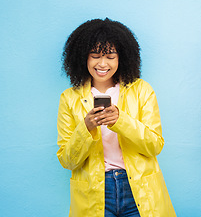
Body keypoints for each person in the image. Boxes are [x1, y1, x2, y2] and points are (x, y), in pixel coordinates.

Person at [57, 18, 176, 217]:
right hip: (95, 191)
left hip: (137, 188)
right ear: (82, 57)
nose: (102, 64)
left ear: (122, 58)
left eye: (110, 56)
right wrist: (85, 128)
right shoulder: (69, 98)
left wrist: (121, 121)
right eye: (95, 55)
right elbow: (67, 160)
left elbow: (155, 145)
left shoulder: (142, 91)